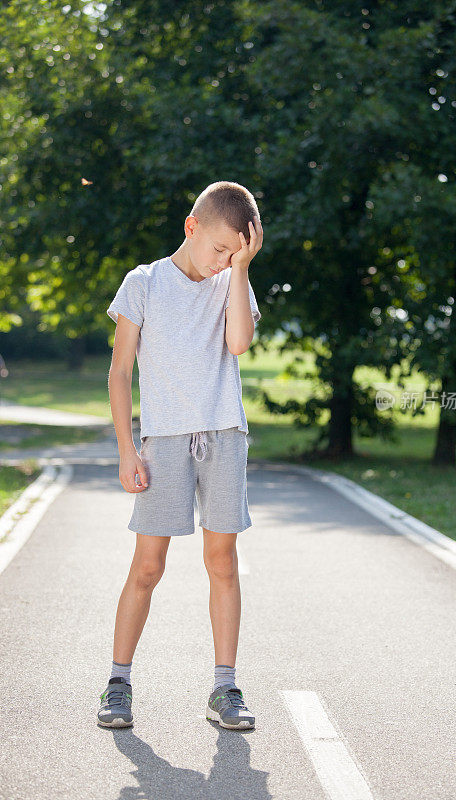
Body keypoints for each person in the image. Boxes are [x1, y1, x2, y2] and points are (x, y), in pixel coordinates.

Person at [97, 180, 262, 731]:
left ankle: (225, 686)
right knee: (148, 566)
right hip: (163, 441)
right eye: (219, 250)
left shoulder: (232, 284)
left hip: (223, 434)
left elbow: (238, 344)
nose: (222, 262)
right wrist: (127, 450)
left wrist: (239, 270)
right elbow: (120, 373)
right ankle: (118, 683)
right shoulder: (143, 283)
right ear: (191, 228)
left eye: (234, 254)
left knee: (222, 562)